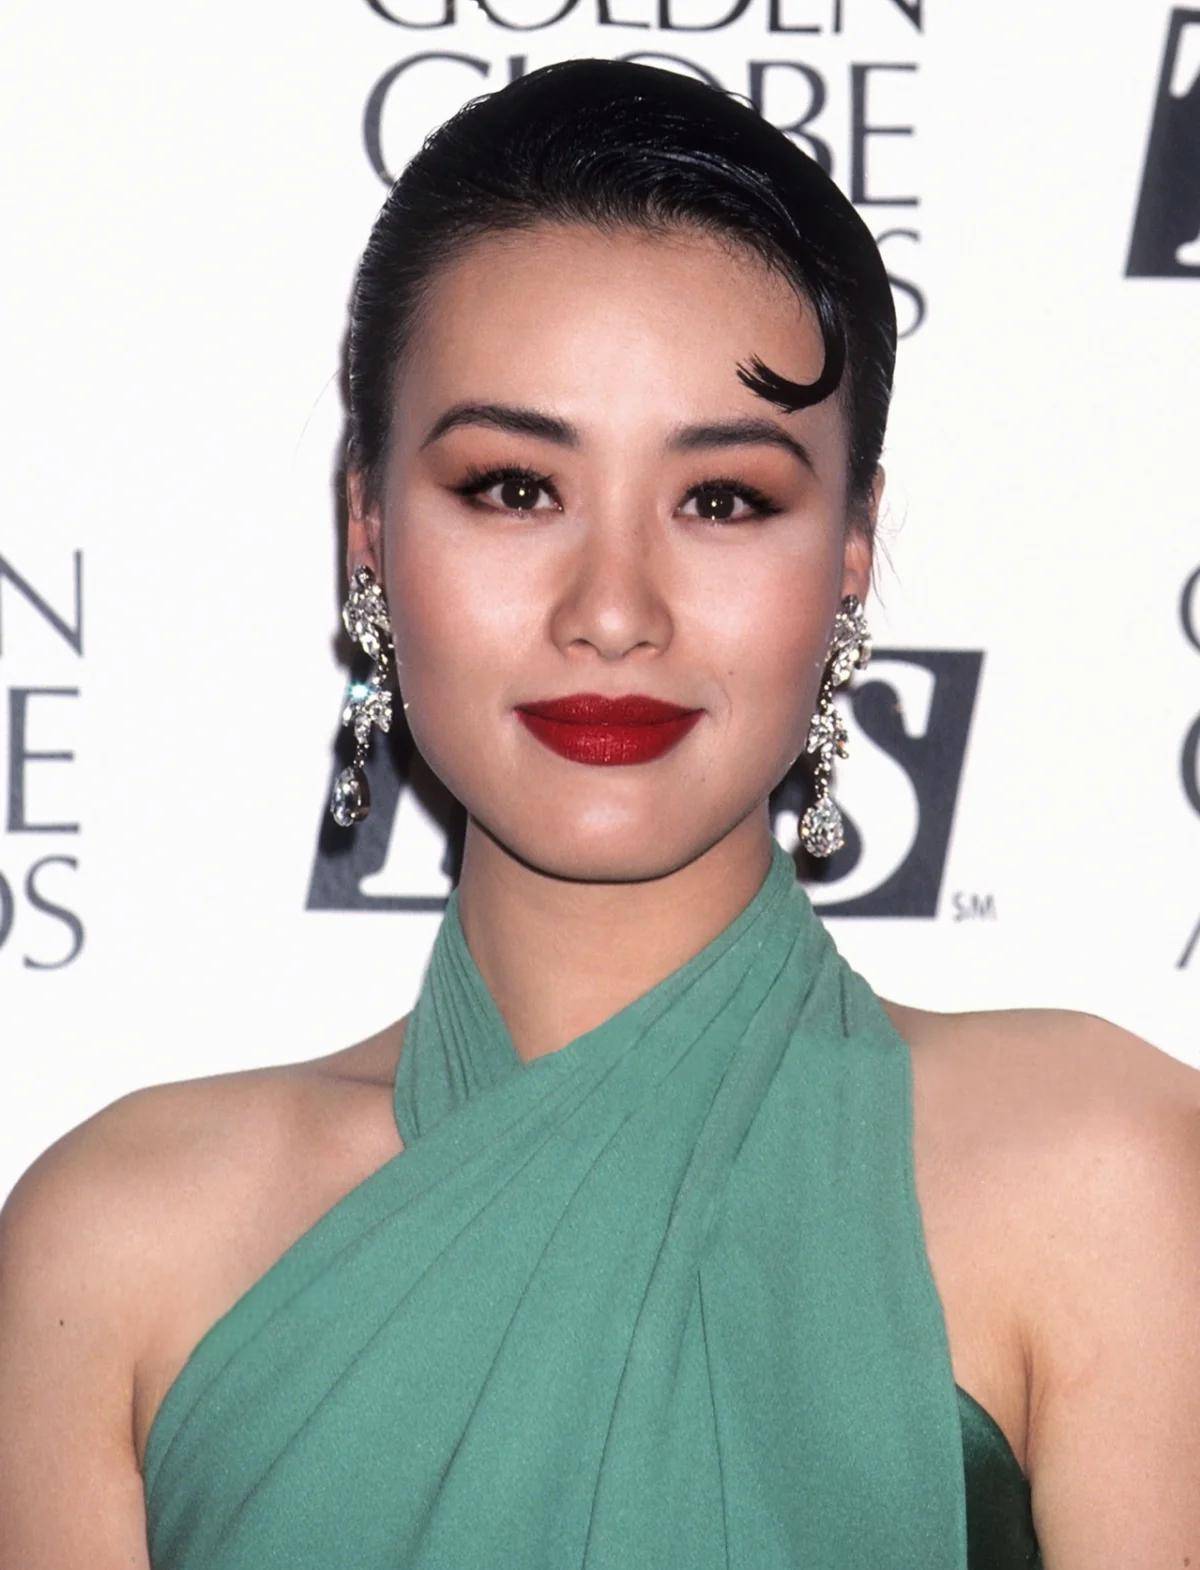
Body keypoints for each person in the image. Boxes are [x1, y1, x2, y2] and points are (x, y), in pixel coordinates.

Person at [0, 56, 1197, 1570]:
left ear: (852, 550)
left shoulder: (1103, 1171)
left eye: (723, 499)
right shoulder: (113, 1244)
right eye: (514, 488)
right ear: (366, 524)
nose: (614, 609)